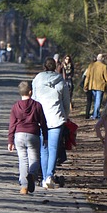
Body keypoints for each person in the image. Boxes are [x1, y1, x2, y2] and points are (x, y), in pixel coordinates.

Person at [31, 57, 70, 189]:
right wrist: (65, 116)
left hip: (41, 118)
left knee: (44, 149)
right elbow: (66, 102)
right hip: (56, 118)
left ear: (44, 67)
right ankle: (49, 176)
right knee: (53, 149)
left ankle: (43, 178)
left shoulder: (37, 79)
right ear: (55, 67)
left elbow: (34, 98)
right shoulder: (61, 81)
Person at [7, 79, 47, 195]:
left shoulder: (15, 106)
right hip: (33, 134)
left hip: (19, 135)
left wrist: (10, 140)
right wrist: (45, 136)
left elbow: (12, 124)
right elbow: (43, 122)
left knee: (23, 160)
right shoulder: (37, 105)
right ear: (30, 92)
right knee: (34, 159)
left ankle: (24, 186)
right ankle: (32, 175)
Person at [83, 51, 107, 119]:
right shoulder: (104, 67)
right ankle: (95, 115)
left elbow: (87, 76)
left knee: (96, 100)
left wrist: (85, 86)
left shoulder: (91, 65)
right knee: (98, 100)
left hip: (92, 86)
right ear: (102, 59)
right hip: (100, 86)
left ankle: (96, 114)